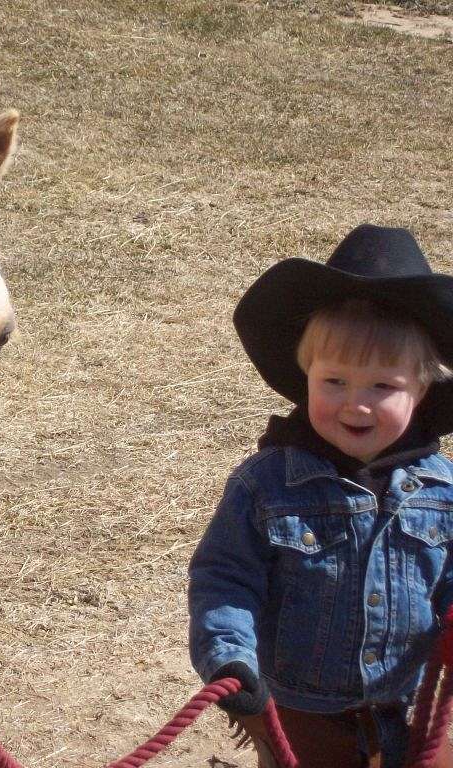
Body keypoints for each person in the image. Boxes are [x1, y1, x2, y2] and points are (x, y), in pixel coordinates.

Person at [188, 224, 453, 768]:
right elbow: (225, 579)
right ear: (305, 376)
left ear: (423, 389)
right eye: (334, 382)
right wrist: (231, 657)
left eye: (382, 386)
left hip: (413, 712)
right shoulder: (265, 485)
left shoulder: (443, 489)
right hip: (303, 717)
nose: (355, 405)